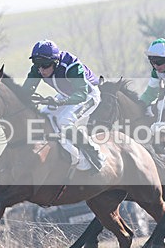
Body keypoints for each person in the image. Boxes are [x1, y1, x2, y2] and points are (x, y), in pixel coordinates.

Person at [22, 40, 105, 173]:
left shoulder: (71, 66)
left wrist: (59, 102)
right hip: (65, 94)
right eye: (37, 64)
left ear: (55, 62)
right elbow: (24, 92)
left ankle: (94, 154)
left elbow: (81, 95)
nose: (41, 69)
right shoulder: (38, 68)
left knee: (63, 121)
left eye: (45, 64)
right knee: (43, 118)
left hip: (88, 95)